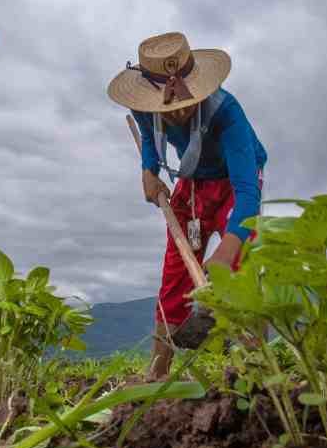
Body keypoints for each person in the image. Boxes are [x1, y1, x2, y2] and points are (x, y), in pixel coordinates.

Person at [107, 32, 267, 380]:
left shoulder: (227, 113)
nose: (177, 112)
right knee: (176, 271)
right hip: (193, 181)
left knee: (244, 265)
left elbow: (247, 193)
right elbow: (150, 137)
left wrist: (228, 248)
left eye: (183, 102)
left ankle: (260, 369)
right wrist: (149, 169)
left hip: (233, 183)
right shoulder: (145, 106)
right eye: (167, 105)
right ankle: (158, 370)